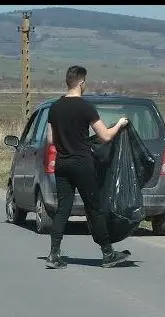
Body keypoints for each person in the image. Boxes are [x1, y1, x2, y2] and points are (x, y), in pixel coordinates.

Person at [45, 65, 131, 269]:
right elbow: (106, 136)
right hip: (83, 164)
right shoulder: (85, 107)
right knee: (94, 208)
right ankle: (108, 254)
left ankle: (53, 254)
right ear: (82, 83)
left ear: (68, 81)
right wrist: (120, 123)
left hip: (62, 164)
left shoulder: (55, 107)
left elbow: (50, 139)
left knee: (63, 209)